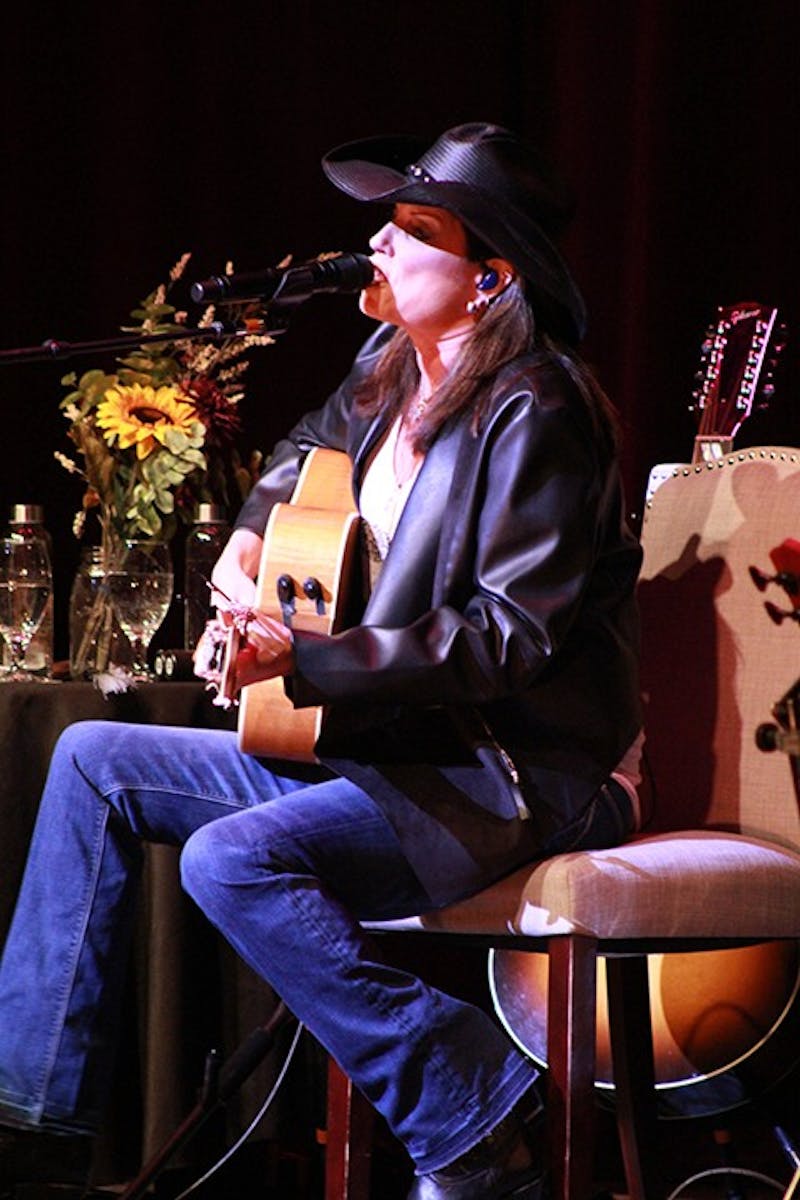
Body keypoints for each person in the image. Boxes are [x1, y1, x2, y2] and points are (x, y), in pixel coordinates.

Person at [0, 122, 643, 1200]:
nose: (378, 245)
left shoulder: (538, 411)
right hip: (390, 754)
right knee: (88, 761)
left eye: (411, 227)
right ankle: (34, 1130)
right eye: (384, 222)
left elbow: (503, 638)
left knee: (230, 861)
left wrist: (305, 657)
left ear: (490, 278)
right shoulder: (389, 367)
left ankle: (461, 1083)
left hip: (509, 777)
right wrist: (252, 536)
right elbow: (304, 452)